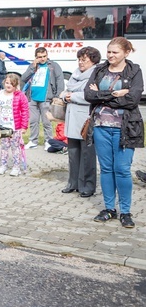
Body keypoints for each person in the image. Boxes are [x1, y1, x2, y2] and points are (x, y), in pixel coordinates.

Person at [85, 37, 144, 228]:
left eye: (115, 52)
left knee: (122, 170)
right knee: (107, 169)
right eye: (109, 51)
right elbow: (88, 95)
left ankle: (125, 211)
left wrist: (101, 97)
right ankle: (109, 208)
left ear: (126, 53)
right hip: (101, 126)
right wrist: (115, 94)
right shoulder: (100, 70)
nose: (110, 55)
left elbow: (133, 100)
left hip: (125, 128)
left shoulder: (134, 71)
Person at [60, 46, 100, 197]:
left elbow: (92, 95)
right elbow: (65, 92)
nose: (80, 63)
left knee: (87, 154)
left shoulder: (96, 74)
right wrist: (66, 96)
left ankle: (87, 186)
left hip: (86, 118)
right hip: (71, 117)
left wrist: (72, 96)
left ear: (93, 60)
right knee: (73, 153)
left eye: (84, 60)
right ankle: (73, 183)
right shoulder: (75, 74)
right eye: (79, 59)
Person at [20, 47, 65, 149]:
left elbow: (60, 81)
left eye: (44, 56)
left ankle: (48, 141)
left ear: (47, 55)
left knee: (46, 122)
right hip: (32, 98)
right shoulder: (33, 66)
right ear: (36, 57)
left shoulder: (53, 66)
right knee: (33, 121)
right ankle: (33, 141)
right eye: (40, 57)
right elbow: (23, 78)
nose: (42, 59)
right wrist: (33, 67)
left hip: (46, 98)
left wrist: (57, 96)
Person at [0, 74, 29, 177]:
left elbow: (25, 111)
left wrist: (24, 126)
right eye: (7, 83)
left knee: (15, 147)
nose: (8, 85)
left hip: (15, 127)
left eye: (11, 84)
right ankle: (3, 165)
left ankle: (16, 167)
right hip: (3, 127)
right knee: (4, 147)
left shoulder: (20, 96)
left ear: (15, 85)